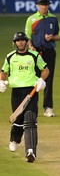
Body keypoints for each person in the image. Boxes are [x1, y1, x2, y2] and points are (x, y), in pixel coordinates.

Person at [0, 32, 49, 163]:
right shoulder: (10, 57)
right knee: (18, 120)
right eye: (18, 40)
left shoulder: (34, 56)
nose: (20, 42)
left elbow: (45, 70)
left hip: (31, 91)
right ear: (14, 43)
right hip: (16, 92)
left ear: (26, 42)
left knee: (31, 119)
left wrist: (41, 80)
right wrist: (2, 81)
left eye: (22, 40)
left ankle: (30, 151)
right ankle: (15, 139)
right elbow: (4, 72)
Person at [25, 0, 60, 117]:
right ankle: (31, 108)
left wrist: (52, 37)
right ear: (38, 6)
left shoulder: (54, 19)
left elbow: (59, 37)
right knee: (33, 79)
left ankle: (48, 107)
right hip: (35, 53)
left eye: (46, 5)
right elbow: (27, 37)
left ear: (48, 6)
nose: (44, 7)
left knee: (48, 80)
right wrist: (30, 46)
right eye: (42, 5)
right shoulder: (32, 19)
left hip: (49, 52)